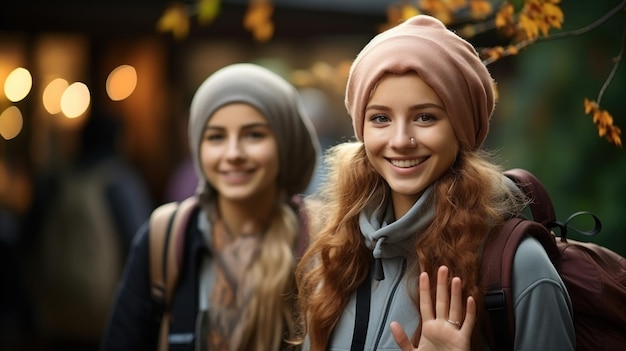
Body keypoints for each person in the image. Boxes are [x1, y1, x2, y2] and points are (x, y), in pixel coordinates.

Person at [295, 15, 575, 351]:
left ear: (460, 128)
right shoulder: (335, 259)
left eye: (425, 117)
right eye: (381, 118)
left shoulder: (518, 267)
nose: (400, 140)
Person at [101, 63, 319, 351]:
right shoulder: (165, 236)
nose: (233, 154)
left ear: (286, 144)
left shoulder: (322, 242)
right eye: (216, 137)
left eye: (254, 135)